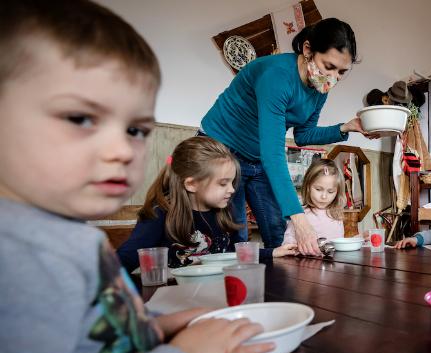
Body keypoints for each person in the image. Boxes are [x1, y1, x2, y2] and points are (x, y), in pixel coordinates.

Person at [0, 2, 274, 353]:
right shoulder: (20, 257)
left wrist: (153, 325)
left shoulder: (69, 239)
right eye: (80, 118)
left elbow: (91, 334)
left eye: (136, 130)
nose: (122, 149)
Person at [200, 17, 374, 257]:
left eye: (342, 72)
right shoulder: (277, 75)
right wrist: (301, 220)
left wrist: (344, 128)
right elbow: (273, 153)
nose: (333, 78)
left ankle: (282, 292)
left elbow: (303, 135)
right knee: (235, 235)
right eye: (329, 66)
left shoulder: (319, 88)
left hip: (257, 157)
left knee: (277, 232)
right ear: (307, 49)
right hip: (221, 149)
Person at [117, 136, 297, 271]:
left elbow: (234, 254)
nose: (232, 190)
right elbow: (125, 260)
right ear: (191, 184)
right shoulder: (160, 213)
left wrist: (272, 252)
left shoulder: (225, 210)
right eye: (222, 183)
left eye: (232, 183)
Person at [282, 158, 345, 244]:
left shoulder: (336, 215)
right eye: (318, 189)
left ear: (337, 192)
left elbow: (340, 242)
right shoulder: (300, 214)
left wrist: (360, 238)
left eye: (330, 191)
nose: (324, 196)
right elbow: (288, 240)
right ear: (308, 187)